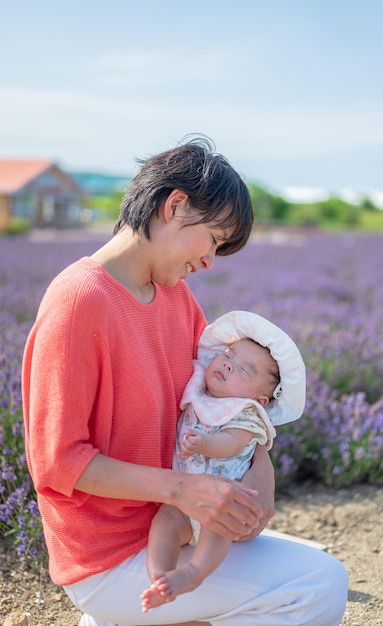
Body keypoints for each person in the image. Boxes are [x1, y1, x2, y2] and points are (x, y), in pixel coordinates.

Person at [22, 136, 348, 626]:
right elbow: (57, 462)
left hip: (176, 531)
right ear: (175, 205)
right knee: (319, 585)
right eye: (214, 240)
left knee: (305, 569)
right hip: (108, 557)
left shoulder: (176, 300)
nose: (210, 261)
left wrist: (260, 467)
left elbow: (221, 400)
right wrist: (180, 490)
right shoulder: (78, 302)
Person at [141, 310, 306, 613]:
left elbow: (231, 444)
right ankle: (160, 576)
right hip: (181, 500)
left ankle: (194, 573)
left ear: (260, 400)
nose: (229, 364)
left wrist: (205, 443)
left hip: (222, 501)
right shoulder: (198, 392)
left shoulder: (246, 414)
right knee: (164, 522)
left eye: (245, 370)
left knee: (218, 531)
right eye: (228, 354)